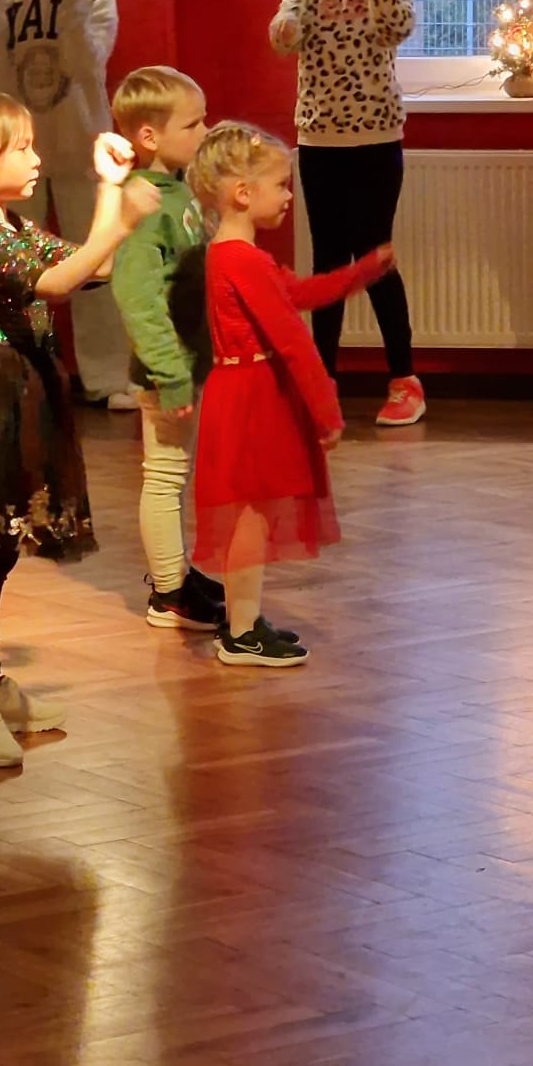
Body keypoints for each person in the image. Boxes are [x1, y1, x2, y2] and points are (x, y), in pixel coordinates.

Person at [0, 89, 160, 768]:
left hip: (23, 390)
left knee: (4, 541)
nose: (36, 158)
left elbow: (92, 266)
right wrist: (123, 220)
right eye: (22, 148)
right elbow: (59, 283)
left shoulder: (9, 223)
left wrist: (109, 185)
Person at [187, 121, 394, 666]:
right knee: (250, 515)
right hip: (253, 396)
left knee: (250, 512)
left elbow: (298, 293)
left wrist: (360, 272)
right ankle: (240, 632)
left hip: (245, 391)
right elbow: (294, 341)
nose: (287, 196)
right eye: (280, 185)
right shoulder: (242, 259)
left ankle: (244, 621)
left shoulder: (232, 255)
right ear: (242, 192)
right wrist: (327, 411)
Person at [0, 0, 136, 408]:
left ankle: (107, 379)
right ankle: (17, 372)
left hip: (80, 146)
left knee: (95, 264)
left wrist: (73, 5)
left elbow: (86, 64)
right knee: (14, 268)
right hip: (15, 155)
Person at [269, 0, 423, 426]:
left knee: (375, 257)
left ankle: (404, 381)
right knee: (329, 263)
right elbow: (284, 30)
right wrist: (284, 27)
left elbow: (401, 24)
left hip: (377, 142)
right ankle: (322, 381)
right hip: (321, 144)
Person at [109, 66, 224, 632]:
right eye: (193, 124)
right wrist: (171, 374)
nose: (205, 131)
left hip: (188, 365)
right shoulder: (144, 203)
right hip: (166, 372)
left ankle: (176, 571)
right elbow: (139, 299)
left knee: (177, 475)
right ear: (149, 136)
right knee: (164, 476)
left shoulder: (179, 192)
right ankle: (168, 591)